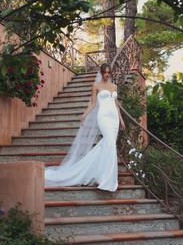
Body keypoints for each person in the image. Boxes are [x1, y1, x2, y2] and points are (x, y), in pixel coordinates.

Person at [45, 63, 125, 192]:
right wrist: (84, 115)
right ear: (101, 72)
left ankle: (101, 175)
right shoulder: (96, 86)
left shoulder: (114, 86)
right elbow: (93, 103)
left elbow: (116, 105)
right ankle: (107, 181)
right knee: (109, 143)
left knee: (108, 145)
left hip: (114, 119)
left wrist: (121, 120)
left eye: (109, 72)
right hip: (103, 117)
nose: (107, 74)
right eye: (105, 72)